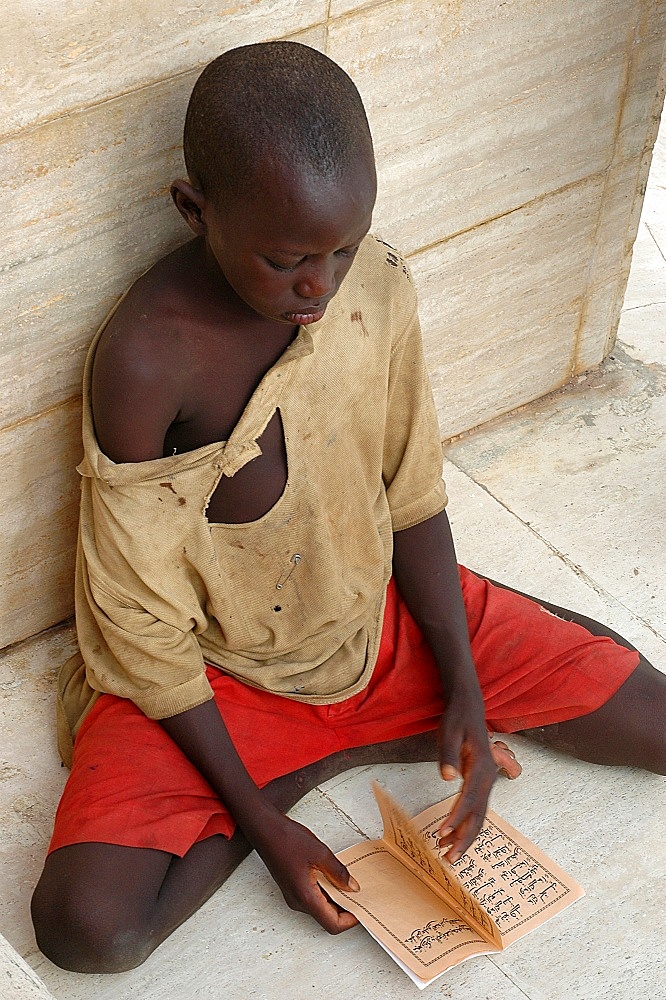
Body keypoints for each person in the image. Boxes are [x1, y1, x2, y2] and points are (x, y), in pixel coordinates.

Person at [31, 41, 665, 975]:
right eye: (287, 259)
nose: (322, 285)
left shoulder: (376, 289)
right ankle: (282, 776)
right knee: (90, 930)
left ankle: (425, 703)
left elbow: (413, 498)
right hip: (221, 678)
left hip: (382, 625)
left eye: (343, 247)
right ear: (193, 210)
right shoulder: (148, 358)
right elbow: (139, 618)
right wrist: (266, 828)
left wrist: (461, 681)